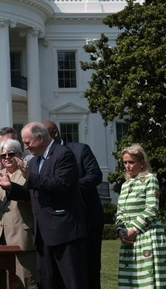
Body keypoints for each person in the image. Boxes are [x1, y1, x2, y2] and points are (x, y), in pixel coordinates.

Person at [5, 122, 88, 289]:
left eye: (28, 142)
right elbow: (31, 193)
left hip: (65, 232)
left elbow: (61, 185)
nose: (26, 147)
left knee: (72, 281)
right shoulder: (35, 162)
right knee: (47, 281)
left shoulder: (63, 154)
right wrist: (9, 187)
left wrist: (30, 177)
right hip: (43, 234)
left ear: (40, 138)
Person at [43, 120, 104, 289]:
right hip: (60, 223)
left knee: (89, 266)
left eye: (44, 135)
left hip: (86, 218)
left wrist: (70, 185)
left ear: (55, 133)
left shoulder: (80, 150)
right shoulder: (43, 157)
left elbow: (95, 176)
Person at [116, 144, 166, 288]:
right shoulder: (125, 185)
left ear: (142, 162)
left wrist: (134, 230)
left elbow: (152, 209)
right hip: (129, 241)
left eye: (131, 162)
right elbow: (120, 212)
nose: (127, 166)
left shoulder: (150, 180)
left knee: (147, 281)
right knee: (130, 280)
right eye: (125, 162)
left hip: (147, 237)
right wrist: (121, 231)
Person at [0, 139, 37, 289]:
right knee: (2, 282)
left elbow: (33, 200)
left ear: (19, 155)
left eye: (10, 154)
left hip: (22, 237)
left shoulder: (27, 174)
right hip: (0, 238)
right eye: (2, 156)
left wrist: (10, 187)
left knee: (25, 282)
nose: (6, 158)